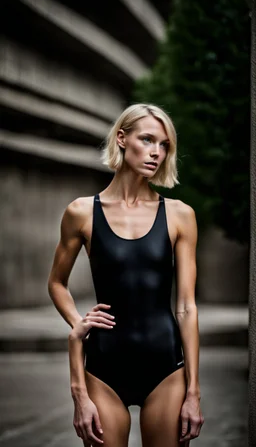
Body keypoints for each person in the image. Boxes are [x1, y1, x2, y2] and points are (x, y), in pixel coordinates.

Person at [48, 103, 204, 447]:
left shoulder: (180, 215)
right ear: (121, 139)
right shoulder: (81, 212)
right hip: (104, 367)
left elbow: (187, 307)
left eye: (164, 145)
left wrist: (193, 391)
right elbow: (57, 283)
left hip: (166, 368)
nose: (156, 153)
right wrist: (78, 323)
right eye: (147, 140)